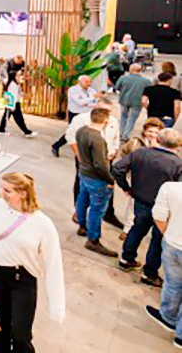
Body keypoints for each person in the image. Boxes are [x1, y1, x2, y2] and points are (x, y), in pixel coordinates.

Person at [0, 173, 65, 352]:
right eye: (2, 188)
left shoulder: (43, 224)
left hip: (22, 280)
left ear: (23, 193)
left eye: (8, 190)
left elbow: (53, 265)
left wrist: (57, 305)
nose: (2, 194)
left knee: (21, 334)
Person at [113, 128, 182, 287]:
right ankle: (149, 273)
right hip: (165, 209)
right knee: (158, 239)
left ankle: (126, 259)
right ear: (178, 145)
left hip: (141, 201)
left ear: (157, 139)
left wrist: (126, 188)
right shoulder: (178, 164)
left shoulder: (141, 153)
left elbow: (117, 168)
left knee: (137, 229)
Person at [65, 98, 123, 229]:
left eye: (108, 111)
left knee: (106, 188)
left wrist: (113, 152)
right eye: (102, 110)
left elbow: (115, 139)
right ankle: (80, 215)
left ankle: (108, 214)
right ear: (96, 107)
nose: (105, 114)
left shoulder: (113, 121)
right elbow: (71, 137)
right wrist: (80, 157)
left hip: (106, 160)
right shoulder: (81, 119)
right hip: (86, 160)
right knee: (82, 187)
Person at [75, 107, 119, 256]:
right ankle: (93, 240)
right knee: (97, 210)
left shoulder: (81, 131)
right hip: (96, 179)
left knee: (82, 199)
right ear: (106, 121)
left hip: (84, 173)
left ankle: (82, 226)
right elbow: (100, 165)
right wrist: (110, 179)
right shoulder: (98, 138)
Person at [145, 178, 182, 348]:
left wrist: (170, 235)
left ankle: (168, 317)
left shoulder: (170, 188)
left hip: (172, 245)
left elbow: (159, 216)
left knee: (172, 284)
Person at [51, 75, 99, 157]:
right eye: (86, 82)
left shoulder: (92, 90)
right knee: (72, 132)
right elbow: (80, 103)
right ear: (80, 81)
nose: (89, 84)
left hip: (87, 113)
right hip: (75, 113)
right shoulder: (73, 90)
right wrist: (91, 99)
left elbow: (96, 102)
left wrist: (89, 102)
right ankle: (56, 145)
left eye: (90, 82)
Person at [116, 63, 152, 141]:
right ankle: (125, 135)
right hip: (137, 102)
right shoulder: (146, 81)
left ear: (130, 69)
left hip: (124, 100)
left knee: (123, 117)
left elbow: (117, 87)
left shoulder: (123, 78)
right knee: (132, 119)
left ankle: (121, 133)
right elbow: (149, 92)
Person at [0, 70, 38, 138]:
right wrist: (12, 107)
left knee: (8, 116)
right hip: (14, 104)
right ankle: (26, 131)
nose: (20, 77)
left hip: (13, 103)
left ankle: (1, 129)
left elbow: (16, 94)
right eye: (18, 76)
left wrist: (21, 94)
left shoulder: (16, 84)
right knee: (18, 118)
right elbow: (12, 96)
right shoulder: (13, 85)